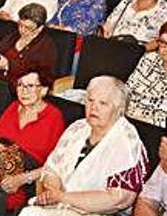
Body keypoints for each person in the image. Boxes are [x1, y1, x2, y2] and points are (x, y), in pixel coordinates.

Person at [20, 76, 147, 216]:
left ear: (119, 109)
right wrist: (53, 193)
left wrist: (63, 197)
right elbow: (51, 169)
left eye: (103, 103)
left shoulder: (128, 143)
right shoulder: (77, 128)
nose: (94, 108)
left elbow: (118, 199)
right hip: (58, 207)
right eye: (90, 100)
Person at [0, 68, 65, 212]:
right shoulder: (13, 107)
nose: (24, 91)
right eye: (20, 85)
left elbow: (56, 164)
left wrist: (22, 179)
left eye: (30, 86)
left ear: (43, 90)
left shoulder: (54, 117)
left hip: (23, 179)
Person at [0, 4, 59, 91]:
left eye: (28, 28)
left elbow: (43, 77)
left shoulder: (46, 47)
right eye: (20, 25)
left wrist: (9, 65)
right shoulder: (15, 36)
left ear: (40, 28)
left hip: (20, 90)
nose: (22, 30)